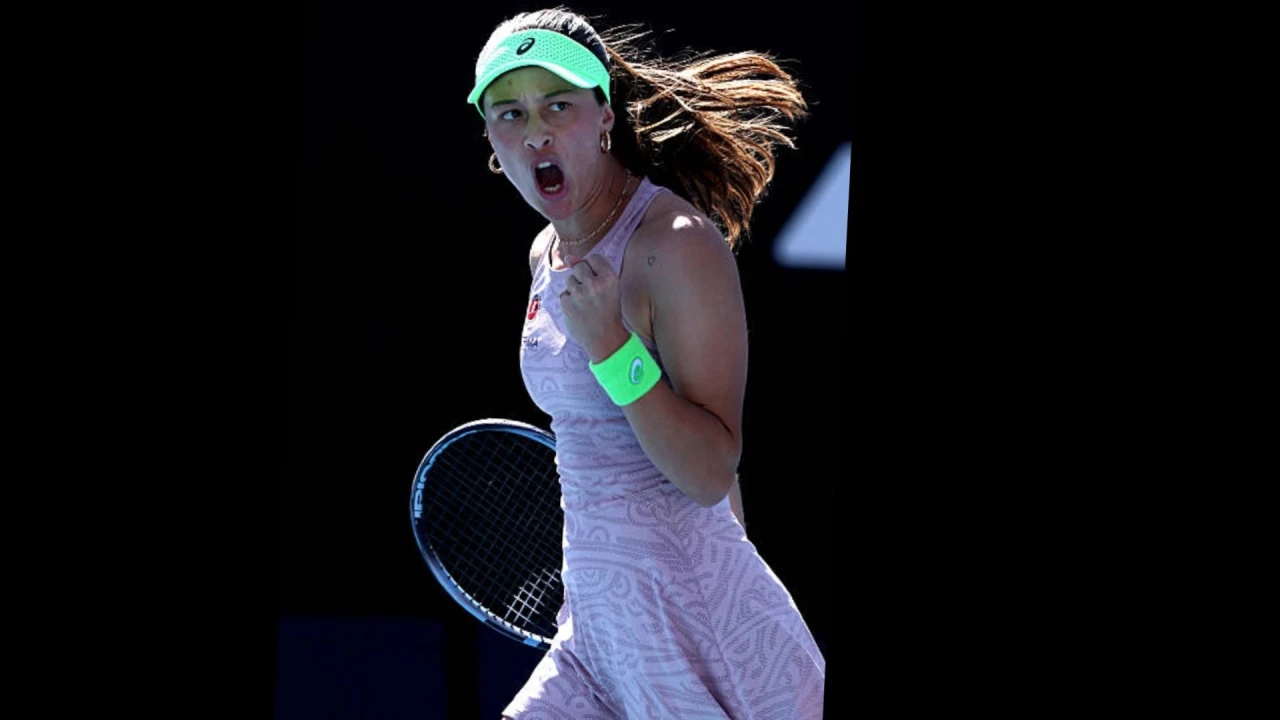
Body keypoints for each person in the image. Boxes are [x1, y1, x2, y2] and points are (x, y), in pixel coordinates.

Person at [467, 7, 824, 718]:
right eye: (510, 114)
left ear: (604, 116)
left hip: (699, 635)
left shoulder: (676, 244)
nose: (535, 131)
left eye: (557, 105)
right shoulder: (545, 254)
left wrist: (612, 349)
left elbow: (710, 470)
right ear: (491, 142)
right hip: (597, 631)